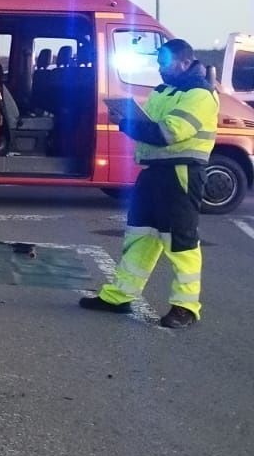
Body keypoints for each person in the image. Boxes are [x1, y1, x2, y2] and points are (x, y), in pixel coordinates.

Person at [81, 38, 217, 328]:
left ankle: (186, 307)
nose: (160, 69)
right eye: (158, 63)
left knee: (181, 243)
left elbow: (168, 133)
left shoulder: (200, 95)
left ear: (183, 62)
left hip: (181, 175)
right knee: (139, 236)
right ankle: (119, 296)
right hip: (154, 173)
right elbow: (148, 127)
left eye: (164, 63)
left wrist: (129, 123)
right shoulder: (164, 91)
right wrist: (128, 119)